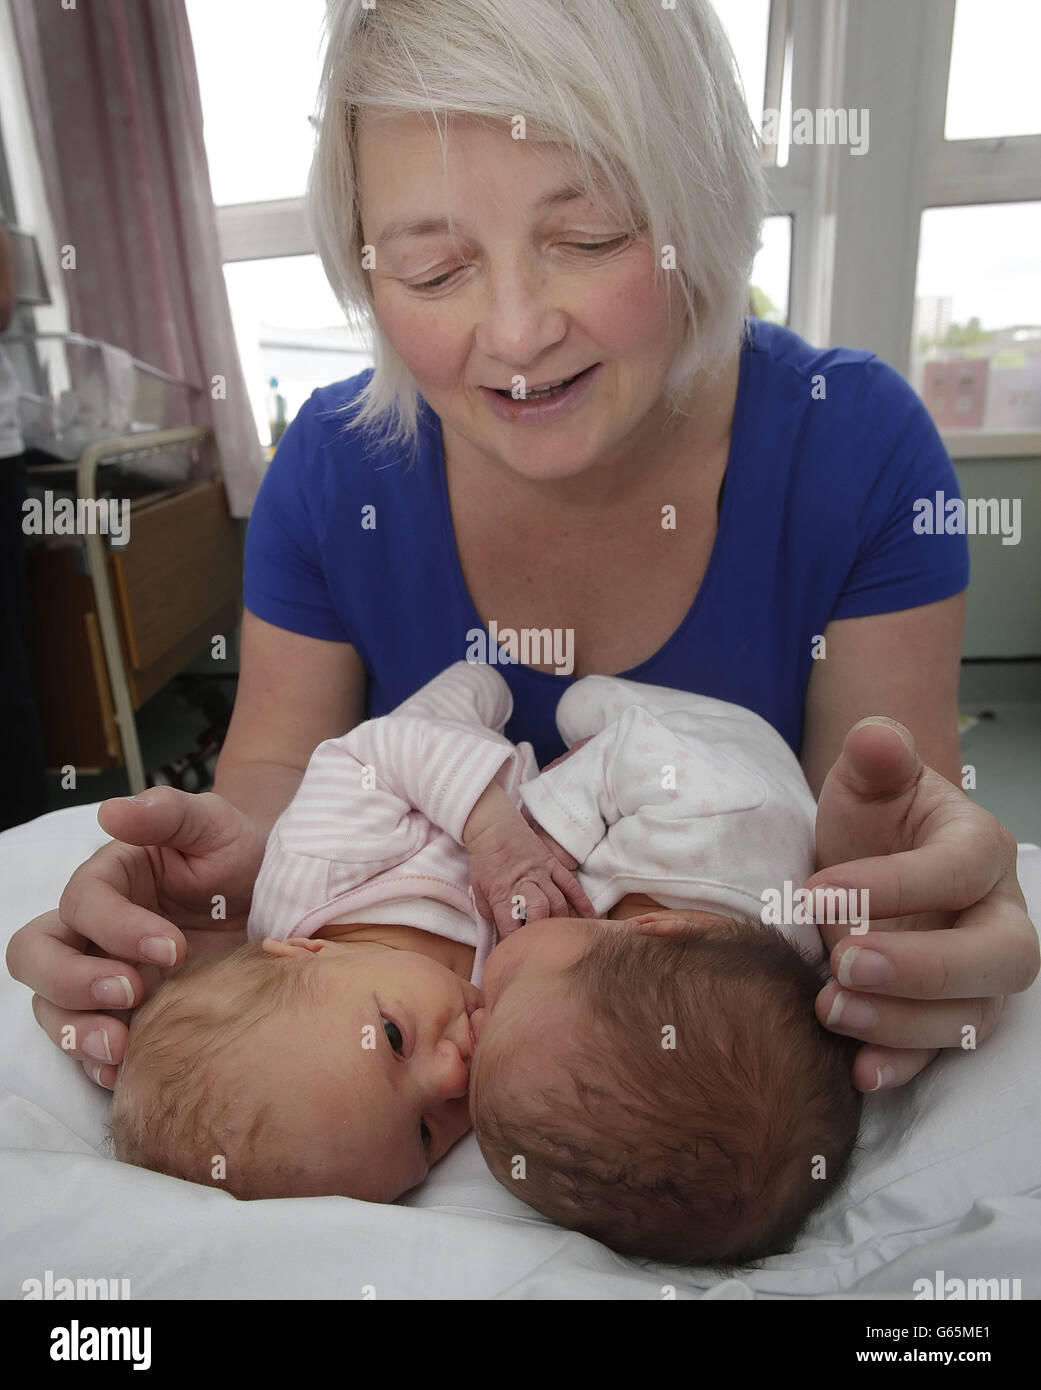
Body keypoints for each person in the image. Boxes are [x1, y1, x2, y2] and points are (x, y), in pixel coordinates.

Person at [7, 0, 1037, 1108]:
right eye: (431, 270)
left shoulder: (856, 450)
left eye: (588, 240)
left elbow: (884, 825)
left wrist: (910, 913)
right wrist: (211, 902)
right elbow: (272, 780)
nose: (513, 333)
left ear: (699, 209)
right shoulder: (336, 471)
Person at [109, 662, 860, 1271]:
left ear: (300, 951)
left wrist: (503, 826)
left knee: (543, 707)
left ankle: (479, 694)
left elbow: (377, 751)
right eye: (425, 1136)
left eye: (393, 1040)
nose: (453, 1077)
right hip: (555, 798)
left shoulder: (313, 864)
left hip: (461, 762)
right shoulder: (498, 1022)